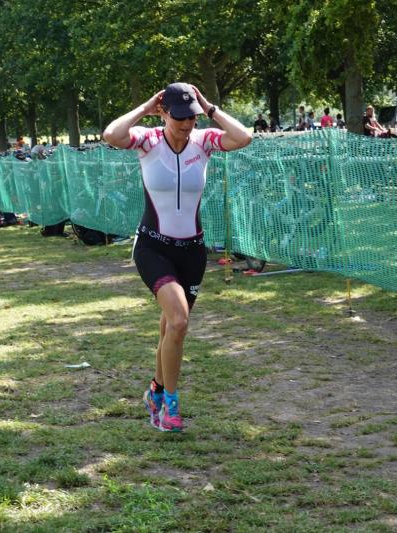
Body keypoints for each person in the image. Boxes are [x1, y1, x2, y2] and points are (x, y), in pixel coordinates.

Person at [103, 82, 251, 432]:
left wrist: (209, 107)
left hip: (192, 251)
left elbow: (243, 137)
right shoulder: (148, 140)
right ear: (164, 113)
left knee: (171, 328)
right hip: (153, 247)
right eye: (180, 117)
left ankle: (155, 391)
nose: (187, 124)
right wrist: (145, 107)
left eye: (192, 117)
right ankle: (169, 406)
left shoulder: (204, 141)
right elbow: (112, 134)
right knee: (180, 321)